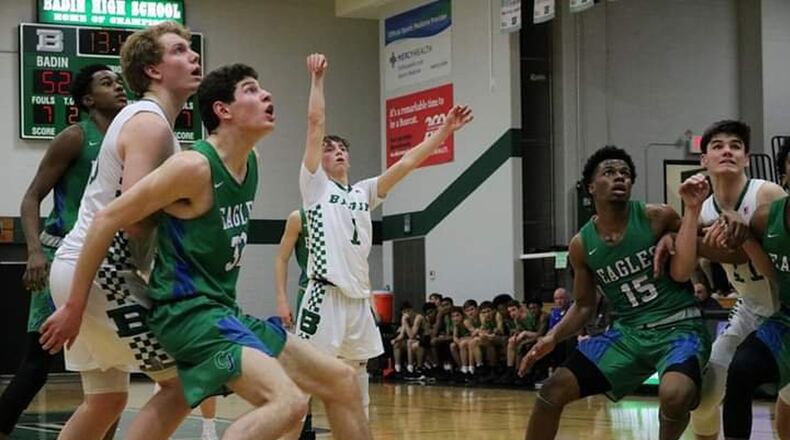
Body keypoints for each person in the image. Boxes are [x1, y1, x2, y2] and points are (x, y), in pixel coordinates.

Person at [46, 63, 373, 439]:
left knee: (342, 380)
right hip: (188, 315)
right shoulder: (193, 166)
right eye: (251, 90)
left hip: (222, 311)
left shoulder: (250, 161)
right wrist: (73, 304)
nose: (266, 95)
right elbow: (106, 219)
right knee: (288, 401)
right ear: (223, 110)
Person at [40, 21, 203, 440]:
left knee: (106, 401)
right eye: (180, 51)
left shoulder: (146, 120)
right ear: (152, 69)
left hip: (81, 268)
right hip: (102, 273)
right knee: (186, 382)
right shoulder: (149, 123)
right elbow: (132, 217)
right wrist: (190, 207)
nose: (194, 56)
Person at [295, 53, 472, 416]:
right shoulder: (314, 187)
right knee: (307, 376)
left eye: (342, 148)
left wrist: (444, 131)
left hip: (358, 299)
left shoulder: (362, 192)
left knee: (358, 373)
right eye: (330, 150)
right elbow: (315, 124)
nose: (337, 152)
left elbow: (406, 163)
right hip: (324, 294)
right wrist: (317, 80)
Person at [519, 145, 712, 440]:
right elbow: (584, 306)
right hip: (628, 334)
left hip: (679, 327)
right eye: (609, 172)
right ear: (591, 187)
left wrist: (674, 234)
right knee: (551, 390)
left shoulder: (656, 215)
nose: (620, 177)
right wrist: (552, 337)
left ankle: (685, 395)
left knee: (674, 395)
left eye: (625, 173)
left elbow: (701, 234)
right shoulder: (581, 244)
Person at [0, 64, 126, 439]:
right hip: (62, 258)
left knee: (112, 363)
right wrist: (34, 252)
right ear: (88, 100)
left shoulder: (128, 138)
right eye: (107, 83)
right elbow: (31, 198)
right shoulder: (74, 137)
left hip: (109, 264)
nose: (118, 88)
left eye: (119, 82)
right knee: (37, 363)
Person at [685, 120, 787, 440]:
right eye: (717, 146)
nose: (727, 150)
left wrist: (740, 243)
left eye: (735, 146)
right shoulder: (699, 209)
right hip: (750, 309)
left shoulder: (766, 193)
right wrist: (698, 274)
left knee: (786, 401)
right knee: (703, 399)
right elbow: (687, 256)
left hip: (784, 308)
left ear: (746, 158)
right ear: (703, 160)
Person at [721, 193, 790, 439]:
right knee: (741, 369)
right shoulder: (765, 218)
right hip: (786, 322)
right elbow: (736, 232)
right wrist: (667, 236)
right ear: (785, 174)